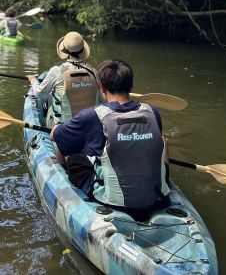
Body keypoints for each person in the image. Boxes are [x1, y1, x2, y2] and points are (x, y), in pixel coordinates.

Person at [50, 59, 171, 218]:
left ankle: (61, 174)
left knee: (72, 153)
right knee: (162, 141)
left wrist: (57, 127)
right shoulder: (152, 112)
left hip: (111, 201)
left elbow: (56, 137)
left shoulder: (93, 115)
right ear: (132, 85)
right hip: (158, 199)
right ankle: (167, 184)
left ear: (101, 88)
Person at [27, 32, 101, 128]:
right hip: (89, 126)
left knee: (50, 96)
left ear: (66, 51)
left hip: (64, 129)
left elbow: (40, 94)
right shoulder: (94, 72)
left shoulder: (57, 71)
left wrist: (33, 81)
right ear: (83, 49)